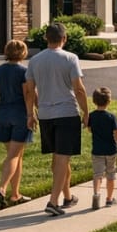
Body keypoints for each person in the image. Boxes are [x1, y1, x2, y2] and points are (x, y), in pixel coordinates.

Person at [25, 23, 89, 216]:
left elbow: (29, 90)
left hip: (45, 114)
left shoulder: (35, 60)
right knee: (62, 158)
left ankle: (67, 196)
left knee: (59, 158)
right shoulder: (70, 58)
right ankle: (53, 201)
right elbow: (78, 88)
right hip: (67, 113)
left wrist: (30, 114)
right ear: (65, 38)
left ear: (46, 38)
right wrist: (86, 112)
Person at [0, 39, 33, 207]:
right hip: (20, 115)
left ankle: (15, 194)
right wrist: (31, 114)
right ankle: (2, 188)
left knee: (16, 155)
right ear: (23, 52)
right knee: (14, 155)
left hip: (4, 114)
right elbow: (27, 94)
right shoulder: (23, 71)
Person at [87, 87, 117, 210]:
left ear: (94, 101)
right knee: (111, 175)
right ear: (109, 101)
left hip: (97, 151)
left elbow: (89, 129)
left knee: (97, 174)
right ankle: (109, 199)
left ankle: (96, 194)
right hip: (111, 151)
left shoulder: (91, 116)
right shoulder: (111, 117)